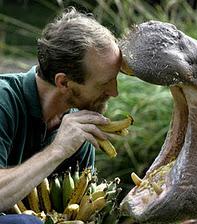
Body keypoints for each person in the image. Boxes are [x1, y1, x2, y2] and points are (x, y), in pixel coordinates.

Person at [0, 7, 121, 223]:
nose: (114, 92)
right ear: (63, 82)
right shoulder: (4, 101)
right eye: (104, 83)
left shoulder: (78, 126)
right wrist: (57, 150)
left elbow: (75, 209)